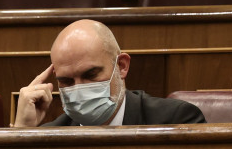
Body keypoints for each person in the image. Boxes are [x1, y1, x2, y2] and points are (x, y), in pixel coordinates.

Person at [14, 19, 206, 128]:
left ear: (122, 66)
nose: (79, 89)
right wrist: (23, 132)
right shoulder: (49, 134)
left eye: (91, 75)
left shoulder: (177, 121)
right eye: (66, 81)